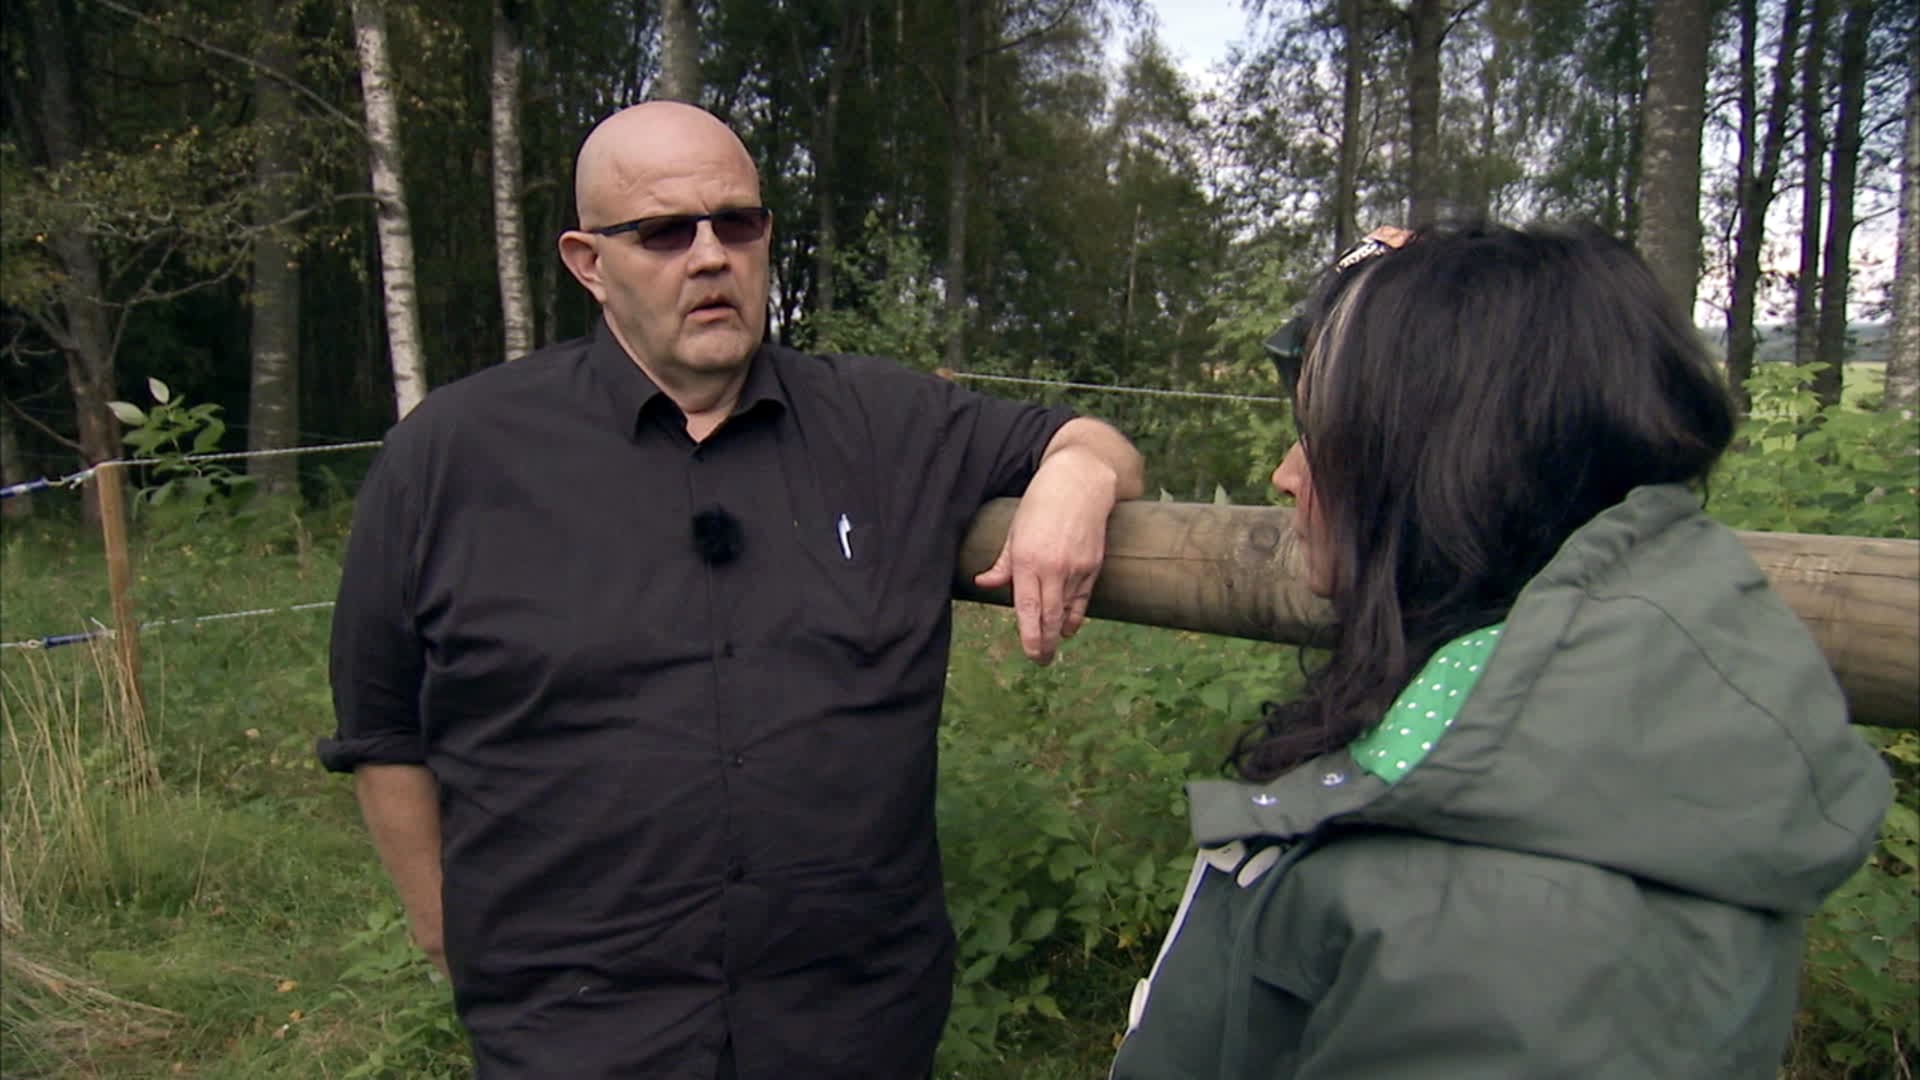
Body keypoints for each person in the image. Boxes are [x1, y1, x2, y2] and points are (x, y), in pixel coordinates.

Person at [320, 101, 1142, 1079]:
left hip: (853, 1029)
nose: (710, 256)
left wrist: (1078, 477)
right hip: (573, 1035)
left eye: (736, 223)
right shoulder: (454, 456)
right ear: (589, 262)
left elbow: (1091, 439)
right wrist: (448, 936)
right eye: (665, 232)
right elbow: (382, 725)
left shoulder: (884, 425)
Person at [1109, 223, 1891, 1079]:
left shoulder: (1506, 924)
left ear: (1447, 465)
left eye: (1327, 431)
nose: (1286, 474)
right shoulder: (1515, 733)